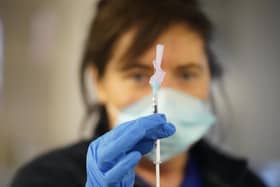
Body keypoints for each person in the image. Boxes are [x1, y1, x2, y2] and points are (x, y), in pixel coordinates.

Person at [11, 0, 267, 186]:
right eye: (137, 75)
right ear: (99, 82)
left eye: (187, 74)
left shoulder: (245, 182)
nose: (165, 96)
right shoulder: (44, 180)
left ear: (209, 78)